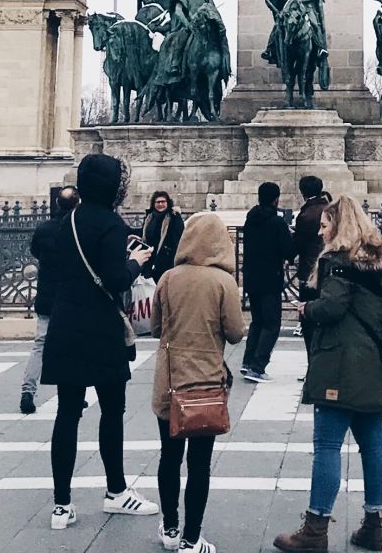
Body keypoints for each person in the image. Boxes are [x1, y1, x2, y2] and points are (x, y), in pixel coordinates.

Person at [35, 152, 158, 530]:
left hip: (66, 323)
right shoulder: (110, 224)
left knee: (67, 414)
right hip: (102, 328)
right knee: (112, 411)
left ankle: (61, 505)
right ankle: (116, 491)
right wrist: (137, 260)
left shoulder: (65, 222)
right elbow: (117, 279)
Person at [274, 196, 382, 553]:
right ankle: (373, 526)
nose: (320, 230)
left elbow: (332, 308)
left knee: (327, 445)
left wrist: (306, 307)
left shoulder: (336, 261)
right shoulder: (377, 261)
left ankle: (315, 529)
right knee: (373, 443)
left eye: (325, 224)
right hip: (374, 363)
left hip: (341, 363)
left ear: (339, 226)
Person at [152, 210, 244, 553]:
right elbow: (235, 333)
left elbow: (158, 328)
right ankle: (192, 538)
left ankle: (170, 527)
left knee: (169, 457)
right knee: (199, 465)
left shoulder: (168, 278)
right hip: (205, 382)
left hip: (170, 381)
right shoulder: (223, 283)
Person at [22, 186, 82, 412]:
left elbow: (36, 251)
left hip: (47, 295)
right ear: (77, 204)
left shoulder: (44, 228)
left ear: (57, 203)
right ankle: (72, 391)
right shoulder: (77, 229)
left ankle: (28, 390)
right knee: (73, 346)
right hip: (71, 296)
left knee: (40, 345)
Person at [241, 181, 293, 383]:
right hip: (270, 277)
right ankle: (257, 366)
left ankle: (247, 362)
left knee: (258, 321)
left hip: (252, 277)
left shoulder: (251, 218)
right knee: (272, 324)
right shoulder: (277, 222)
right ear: (276, 199)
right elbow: (287, 251)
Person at [292, 176, 330, 296]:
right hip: (328, 262)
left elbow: (299, 242)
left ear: (302, 191)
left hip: (310, 264)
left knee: (308, 302)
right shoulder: (329, 208)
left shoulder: (306, 214)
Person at [143, 191, 186, 281]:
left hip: (166, 260)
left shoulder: (174, 217)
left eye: (163, 202)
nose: (160, 204)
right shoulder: (149, 217)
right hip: (149, 258)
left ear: (168, 203)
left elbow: (178, 240)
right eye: (158, 202)